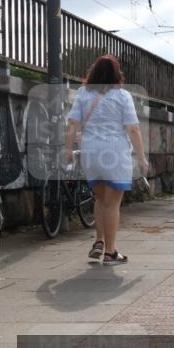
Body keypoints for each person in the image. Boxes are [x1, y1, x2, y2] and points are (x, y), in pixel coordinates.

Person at [64, 55, 149, 266]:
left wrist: (67, 149)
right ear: (116, 75)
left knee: (100, 200)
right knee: (112, 204)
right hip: (115, 153)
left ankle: (99, 242)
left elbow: (72, 124)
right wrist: (141, 157)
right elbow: (133, 128)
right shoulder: (122, 96)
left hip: (91, 153)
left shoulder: (83, 93)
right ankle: (110, 253)